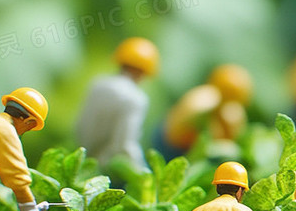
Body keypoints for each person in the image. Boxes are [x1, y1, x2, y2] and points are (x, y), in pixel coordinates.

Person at [76, 37, 158, 170]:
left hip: (82, 158)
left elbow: (81, 125)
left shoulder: (98, 84)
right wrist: (142, 172)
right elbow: (125, 144)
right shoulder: (135, 99)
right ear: (144, 72)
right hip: (107, 169)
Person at [156, 64, 253, 160]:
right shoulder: (201, 102)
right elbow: (175, 127)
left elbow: (232, 139)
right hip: (172, 143)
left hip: (192, 152)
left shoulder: (234, 114)